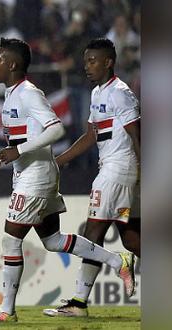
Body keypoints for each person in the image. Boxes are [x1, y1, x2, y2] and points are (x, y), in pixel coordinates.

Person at [0, 38, 135, 323]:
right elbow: (22, 140)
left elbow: (56, 128)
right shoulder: (12, 95)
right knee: (53, 240)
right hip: (31, 174)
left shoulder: (28, 94)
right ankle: (116, 260)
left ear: (12, 64)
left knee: (11, 241)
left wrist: (19, 152)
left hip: (38, 178)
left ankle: (6, 311)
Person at [43, 37, 140, 318]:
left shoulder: (120, 93)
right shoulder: (98, 93)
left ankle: (79, 303)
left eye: (93, 61)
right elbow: (90, 136)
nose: (87, 66)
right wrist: (58, 161)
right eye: (86, 61)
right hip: (113, 169)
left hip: (118, 170)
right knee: (132, 239)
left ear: (109, 62)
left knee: (92, 233)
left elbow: (137, 135)